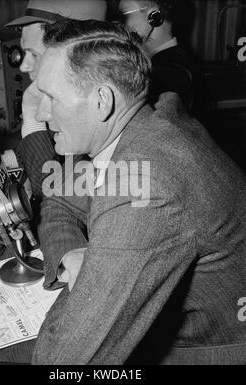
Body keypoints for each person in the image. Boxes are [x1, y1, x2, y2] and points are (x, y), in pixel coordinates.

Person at [31, 19, 246, 365]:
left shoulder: (149, 183)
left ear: (102, 101)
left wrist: (93, 283)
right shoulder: (145, 121)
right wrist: (74, 253)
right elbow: (58, 196)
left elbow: (65, 360)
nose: (41, 114)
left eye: (50, 97)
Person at [4, 0, 107, 198]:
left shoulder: (89, 109)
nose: (24, 66)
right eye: (24, 52)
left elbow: (55, 198)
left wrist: (32, 116)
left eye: (34, 54)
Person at [119, 0, 196, 111]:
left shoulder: (168, 74)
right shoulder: (172, 62)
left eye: (124, 15)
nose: (120, 24)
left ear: (154, 16)